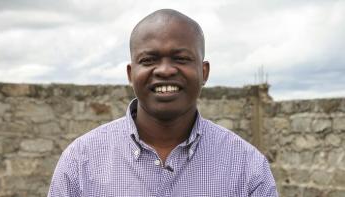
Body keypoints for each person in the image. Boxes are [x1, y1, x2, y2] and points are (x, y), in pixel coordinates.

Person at [48, 9, 278, 196]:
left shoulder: (247, 167)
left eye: (181, 58)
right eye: (149, 60)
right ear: (131, 74)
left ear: (204, 71)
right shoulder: (81, 161)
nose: (165, 70)